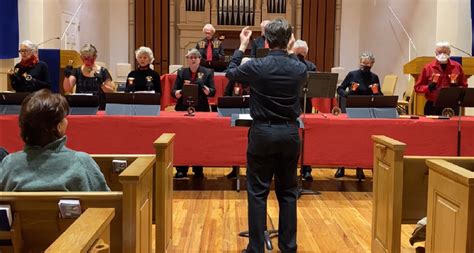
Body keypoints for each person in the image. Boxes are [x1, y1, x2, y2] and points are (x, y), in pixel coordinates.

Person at [226, 19, 307, 253]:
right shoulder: (300, 68)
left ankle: (256, 248)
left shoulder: (256, 66)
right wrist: (290, 49)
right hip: (290, 133)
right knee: (288, 192)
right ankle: (288, 247)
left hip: (262, 133)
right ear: (289, 40)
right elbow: (292, 61)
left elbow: (231, 73)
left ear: (267, 40)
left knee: (258, 192)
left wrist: (242, 46)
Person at [0, 89, 110, 191]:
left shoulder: (9, 164)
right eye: (64, 117)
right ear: (58, 127)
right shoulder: (81, 161)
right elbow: (106, 203)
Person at [335, 51, 383, 180]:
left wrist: (376, 92)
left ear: (372, 64)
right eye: (362, 63)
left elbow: (380, 96)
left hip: (366, 112)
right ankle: (342, 165)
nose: (364, 65)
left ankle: (360, 167)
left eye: (367, 63)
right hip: (351, 110)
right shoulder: (352, 74)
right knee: (347, 139)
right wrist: (349, 93)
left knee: (362, 140)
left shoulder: (374, 77)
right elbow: (339, 89)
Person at [171, 48, 216, 178]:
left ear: (199, 59)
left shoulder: (207, 72)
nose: (193, 59)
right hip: (183, 109)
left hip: (201, 109)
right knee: (182, 139)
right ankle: (181, 168)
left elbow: (212, 92)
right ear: (187, 60)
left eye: (195, 57)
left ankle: (198, 168)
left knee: (199, 139)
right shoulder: (181, 72)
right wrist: (180, 92)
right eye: (190, 57)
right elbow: (173, 92)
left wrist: (203, 86)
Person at [414, 41, 468, 115]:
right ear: (435, 52)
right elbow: (417, 87)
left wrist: (457, 89)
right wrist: (428, 87)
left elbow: (464, 86)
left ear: (449, 52)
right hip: (433, 105)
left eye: (445, 52)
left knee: (451, 126)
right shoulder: (428, 68)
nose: (442, 54)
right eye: (439, 52)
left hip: (451, 105)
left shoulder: (457, 67)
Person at [63, 44, 115, 110]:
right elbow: (67, 89)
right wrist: (67, 76)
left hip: (99, 107)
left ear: (95, 57)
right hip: (81, 106)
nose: (86, 60)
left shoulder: (103, 71)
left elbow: (110, 92)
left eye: (89, 58)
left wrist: (101, 84)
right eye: (84, 58)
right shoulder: (77, 71)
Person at [223, 57, 252, 179]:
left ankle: (250, 171)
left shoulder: (256, 80)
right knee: (235, 144)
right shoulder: (234, 80)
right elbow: (226, 95)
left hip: (252, 117)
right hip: (236, 115)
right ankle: (235, 169)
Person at [293, 39, 317, 181]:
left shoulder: (311, 66)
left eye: (302, 54)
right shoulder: (290, 65)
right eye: (298, 54)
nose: (300, 56)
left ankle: (306, 168)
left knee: (306, 137)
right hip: (291, 103)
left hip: (305, 104)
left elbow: (313, 88)